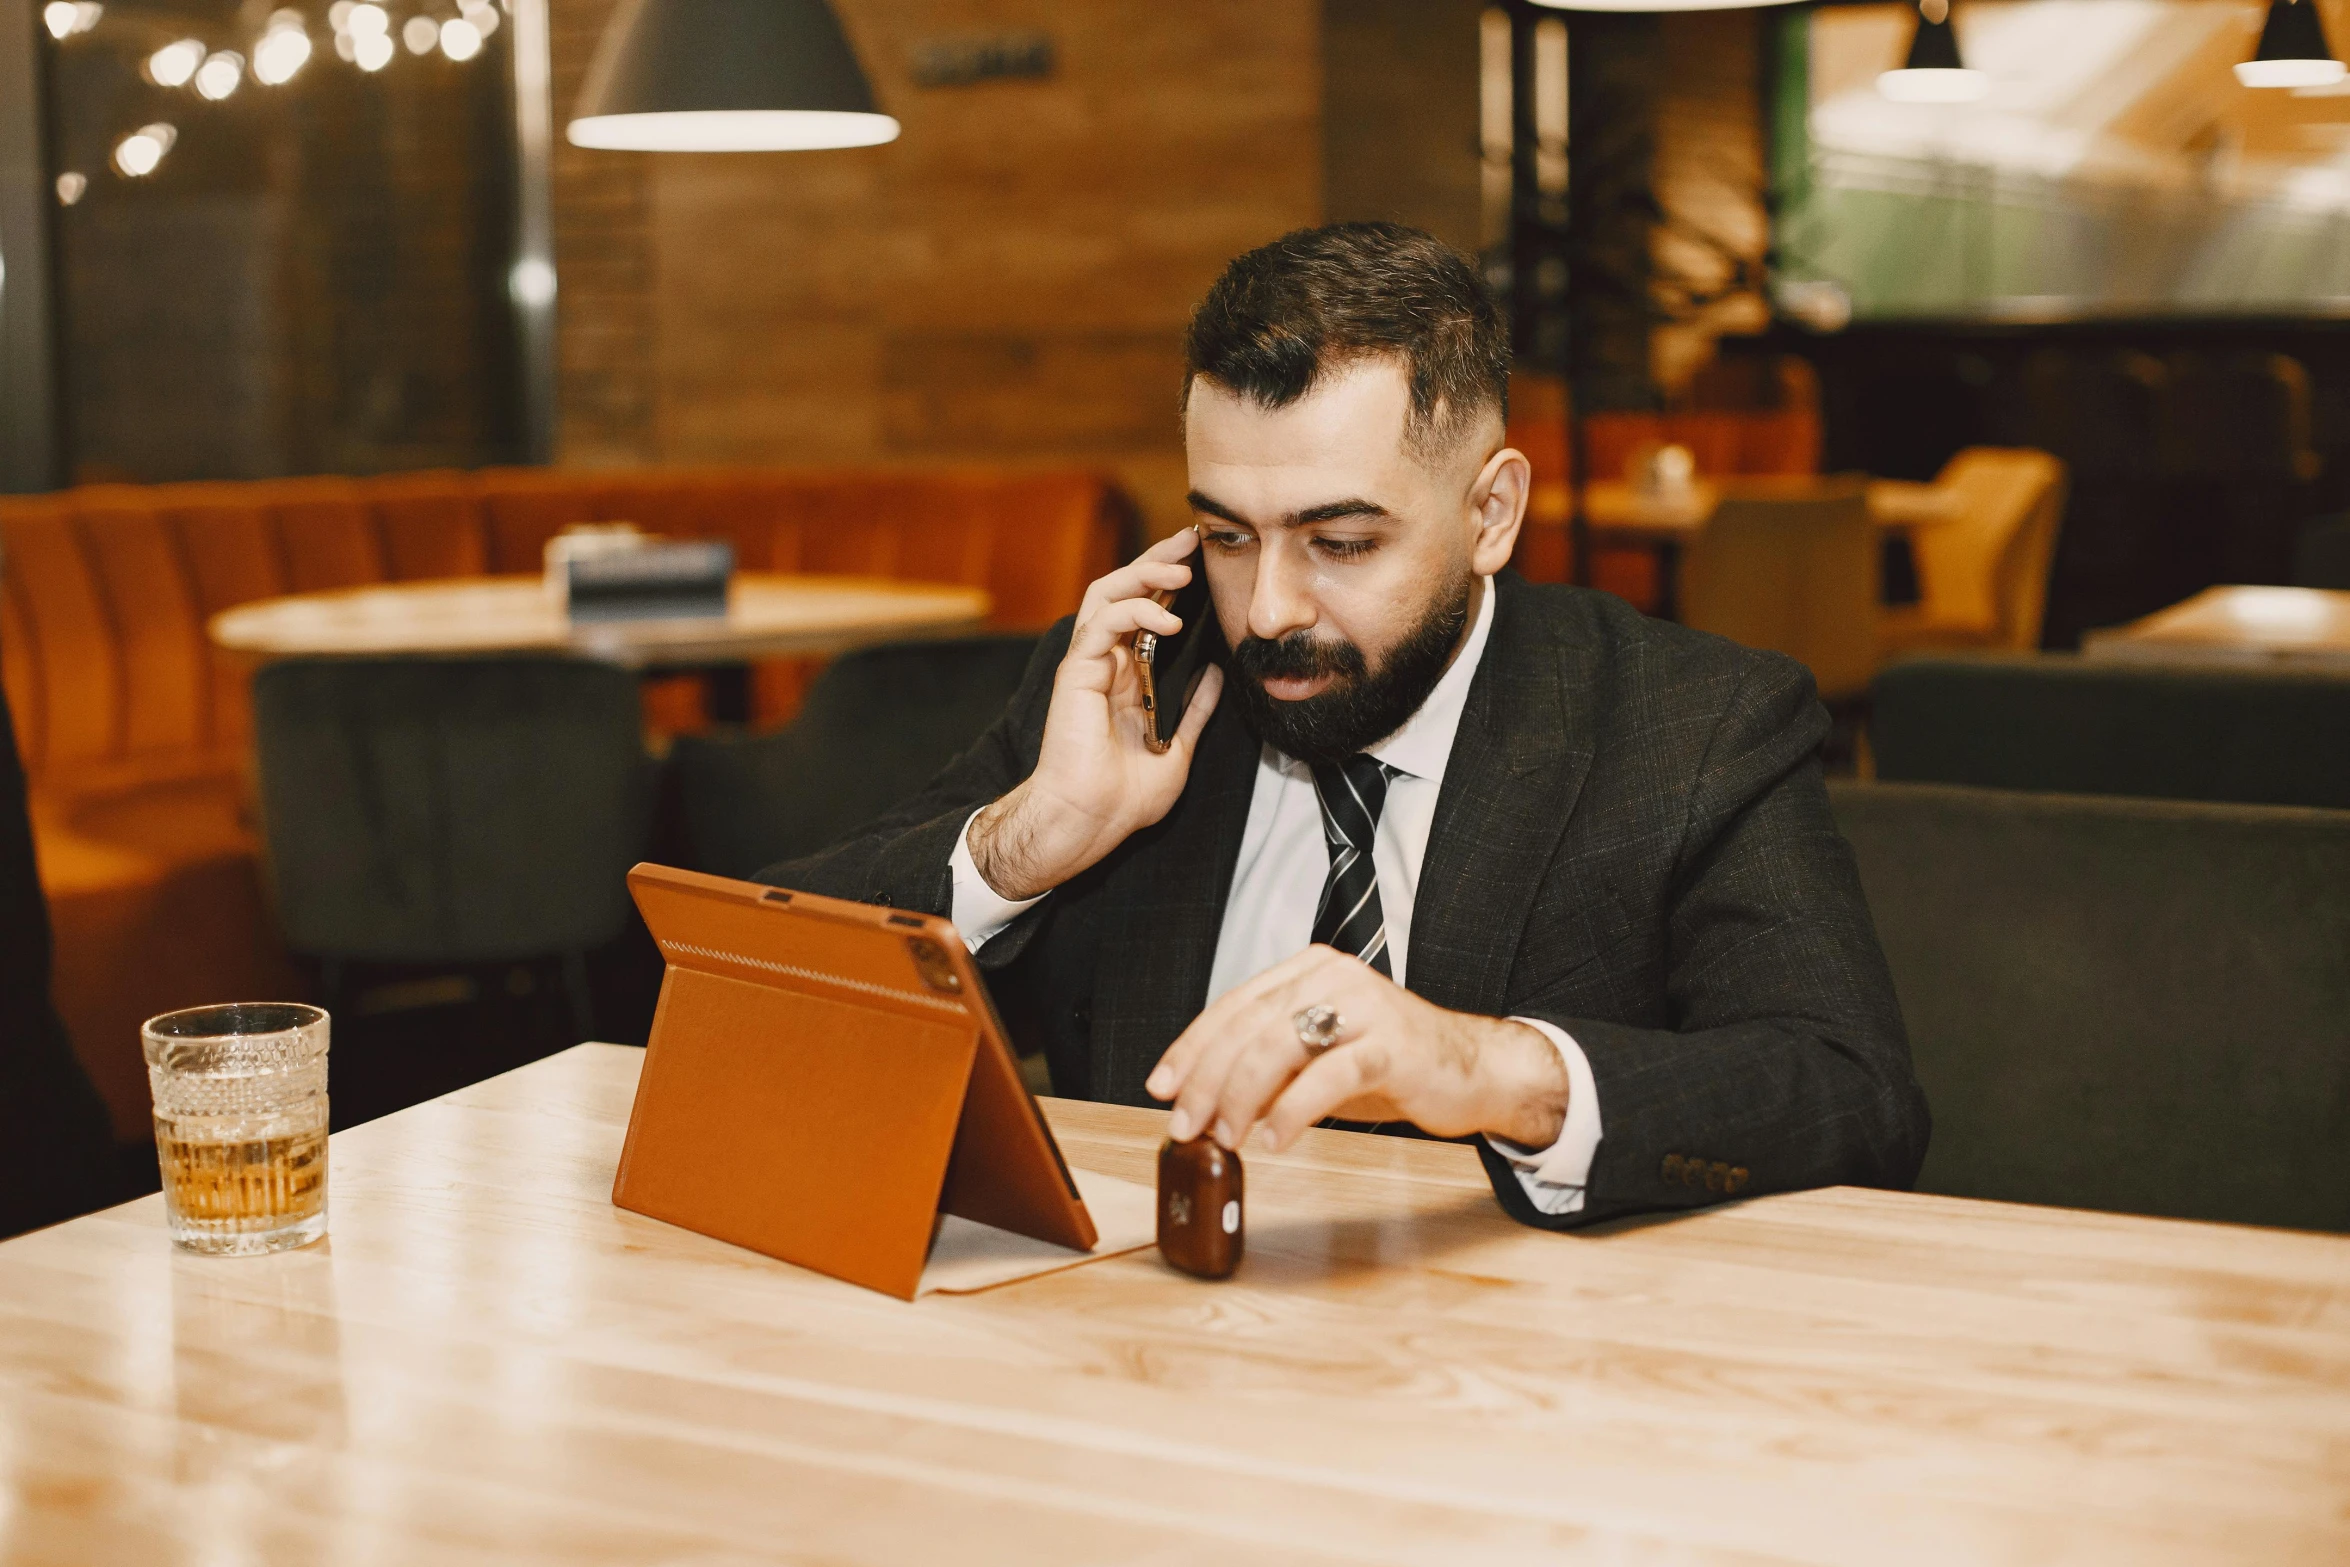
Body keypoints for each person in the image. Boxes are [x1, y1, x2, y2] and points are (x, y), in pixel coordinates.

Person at [765, 222, 1927, 1228]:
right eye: (1226, 534)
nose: (1266, 608)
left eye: (1343, 543)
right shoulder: (1142, 690)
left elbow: (1850, 1095)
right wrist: (1033, 836)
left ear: (1490, 513)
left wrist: (1478, 1068)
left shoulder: (1690, 726)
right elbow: (758, 999)